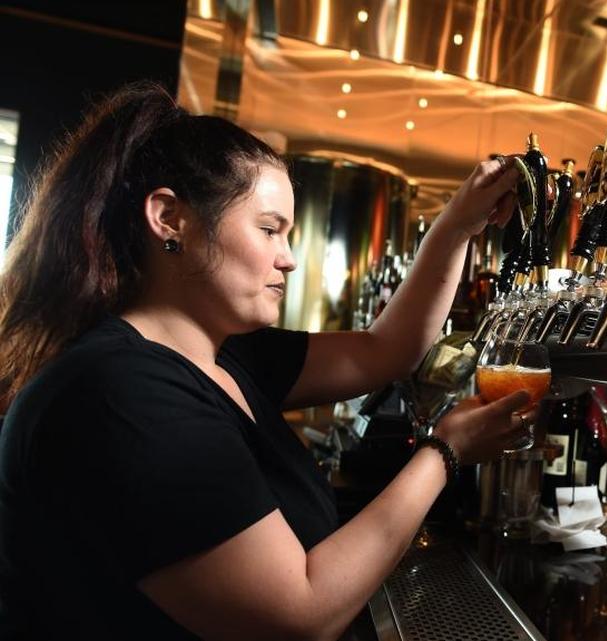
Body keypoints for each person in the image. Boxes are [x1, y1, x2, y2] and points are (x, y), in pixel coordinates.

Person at [0, 82, 532, 640]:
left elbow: (387, 349)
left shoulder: (224, 353)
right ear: (169, 219)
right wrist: (444, 454)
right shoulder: (120, 393)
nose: (288, 260)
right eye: (269, 229)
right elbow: (297, 616)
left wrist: (459, 226)